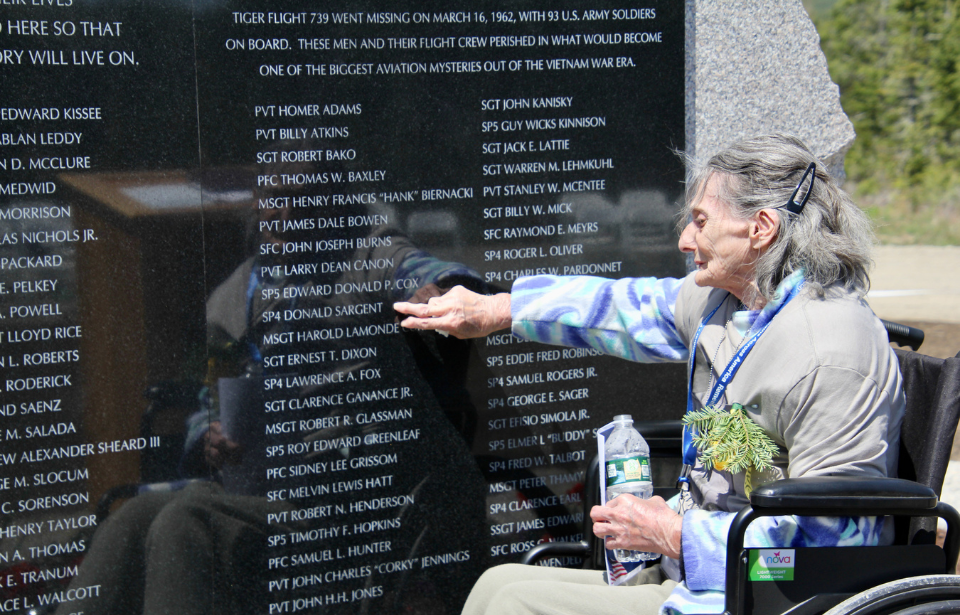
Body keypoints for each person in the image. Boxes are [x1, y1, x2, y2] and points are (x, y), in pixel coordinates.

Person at [393, 133, 905, 615]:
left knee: (516, 608)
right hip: (701, 566)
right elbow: (625, 308)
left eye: (700, 221)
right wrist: (499, 310)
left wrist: (678, 535)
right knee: (496, 585)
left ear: (761, 229)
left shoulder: (830, 354)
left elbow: (833, 543)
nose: (684, 239)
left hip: (762, 592)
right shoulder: (727, 302)